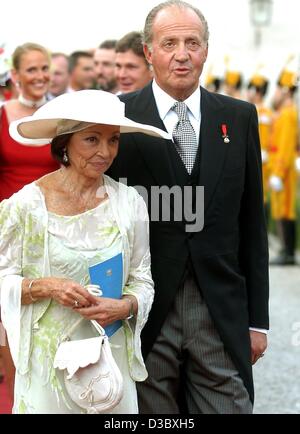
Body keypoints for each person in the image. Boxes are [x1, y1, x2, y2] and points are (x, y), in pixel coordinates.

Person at [108, 0, 269, 414]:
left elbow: (252, 221)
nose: (182, 53)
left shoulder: (238, 116)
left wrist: (257, 321)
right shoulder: (117, 117)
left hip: (218, 307)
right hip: (144, 307)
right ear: (149, 52)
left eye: (192, 42)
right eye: (170, 42)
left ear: (206, 50)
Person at [0, 89, 169, 414]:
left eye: (113, 140)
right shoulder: (25, 206)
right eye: (92, 139)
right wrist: (45, 287)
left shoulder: (128, 203)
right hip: (47, 368)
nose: (105, 151)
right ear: (65, 142)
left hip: (109, 363)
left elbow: (143, 280)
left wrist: (125, 306)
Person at [0, 42, 59, 406]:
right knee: (9, 323)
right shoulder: (2, 115)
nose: (39, 77)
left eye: (44, 69)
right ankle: (16, 401)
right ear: (16, 75)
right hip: (7, 232)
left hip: (54, 231)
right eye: (31, 70)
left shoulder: (62, 115)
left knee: (48, 318)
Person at [269, 63, 298, 266]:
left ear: (286, 91)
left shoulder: (288, 114)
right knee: (280, 209)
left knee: (286, 209)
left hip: (284, 171)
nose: (275, 93)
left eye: (278, 88)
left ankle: (288, 252)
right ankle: (284, 249)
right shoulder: (284, 113)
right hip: (278, 168)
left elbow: (286, 147)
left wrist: (279, 172)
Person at [247, 71, 272, 223]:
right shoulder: (248, 108)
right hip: (252, 155)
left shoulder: (267, 113)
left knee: (262, 194)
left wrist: (266, 151)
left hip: (265, 159)